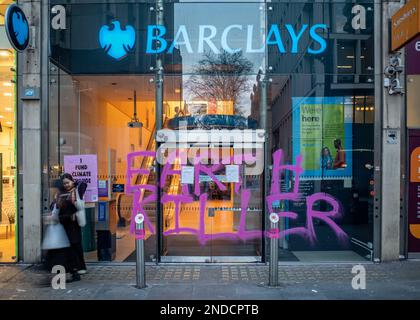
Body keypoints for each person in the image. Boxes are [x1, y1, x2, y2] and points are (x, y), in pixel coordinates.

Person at [54, 173, 88, 281]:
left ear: (72, 182)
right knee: (67, 246)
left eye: (68, 182)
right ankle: (72, 267)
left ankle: (81, 267)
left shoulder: (77, 190)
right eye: (64, 183)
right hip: (63, 222)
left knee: (76, 244)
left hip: (74, 222)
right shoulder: (60, 193)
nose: (66, 185)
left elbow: (84, 185)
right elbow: (56, 207)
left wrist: (75, 187)